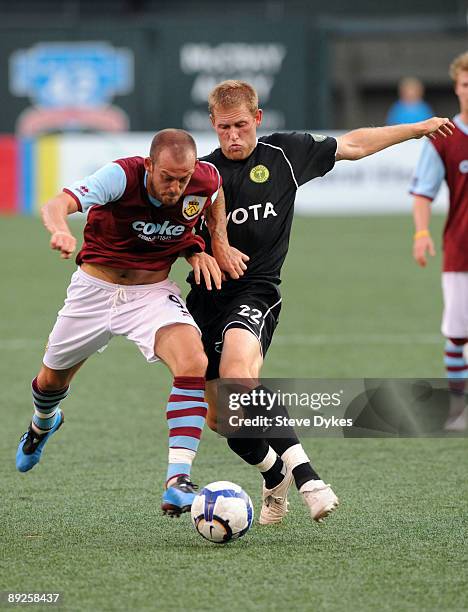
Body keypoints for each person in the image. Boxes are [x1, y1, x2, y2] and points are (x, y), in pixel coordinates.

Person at [186, 80, 454, 525]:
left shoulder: (284, 156)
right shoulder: (201, 174)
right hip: (207, 302)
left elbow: (352, 145)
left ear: (258, 119)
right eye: (222, 128)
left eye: (240, 126)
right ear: (211, 125)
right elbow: (176, 233)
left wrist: (415, 129)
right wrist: (205, 248)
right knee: (225, 420)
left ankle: (309, 479)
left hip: (256, 293)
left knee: (238, 377)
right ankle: (274, 476)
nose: (232, 136)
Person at [15, 129, 245, 517]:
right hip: (94, 290)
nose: (176, 188)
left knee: (194, 360)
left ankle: (178, 481)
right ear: (150, 165)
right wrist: (59, 230)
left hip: (151, 294)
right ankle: (43, 424)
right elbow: (56, 204)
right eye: (167, 178)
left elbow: (216, 193)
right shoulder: (119, 177)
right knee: (50, 382)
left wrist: (214, 243)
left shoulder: (204, 177)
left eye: (183, 179)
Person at [410, 51, 468, 432]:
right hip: (460, 251)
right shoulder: (445, 138)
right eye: (466, 84)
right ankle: (458, 407)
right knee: (457, 333)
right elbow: (423, 192)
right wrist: (421, 232)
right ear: (457, 87)